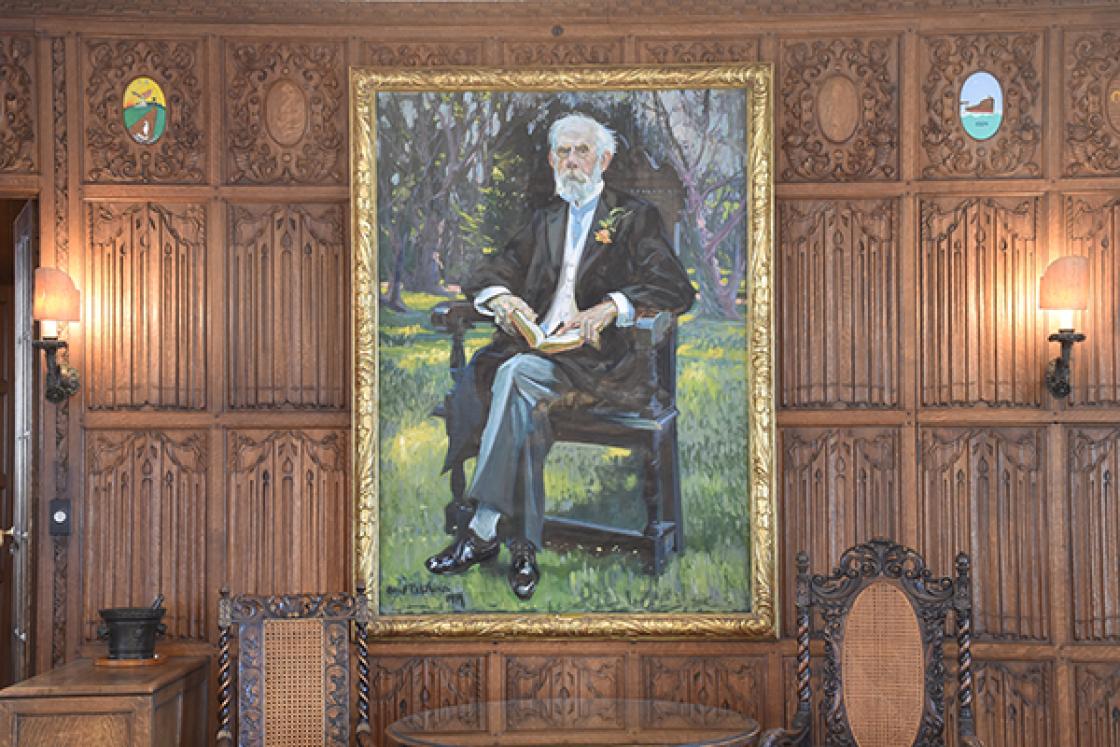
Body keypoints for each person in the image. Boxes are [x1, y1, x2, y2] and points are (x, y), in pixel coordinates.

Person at [425, 113, 695, 601]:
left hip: (601, 366)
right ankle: (524, 548)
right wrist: (501, 299)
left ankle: (483, 528)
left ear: (604, 160)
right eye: (563, 152)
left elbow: (675, 286)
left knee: (514, 376)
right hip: (540, 358)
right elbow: (490, 268)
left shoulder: (632, 218)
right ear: (552, 160)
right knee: (520, 394)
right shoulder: (545, 219)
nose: (572, 161)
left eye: (582, 151)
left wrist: (613, 306)